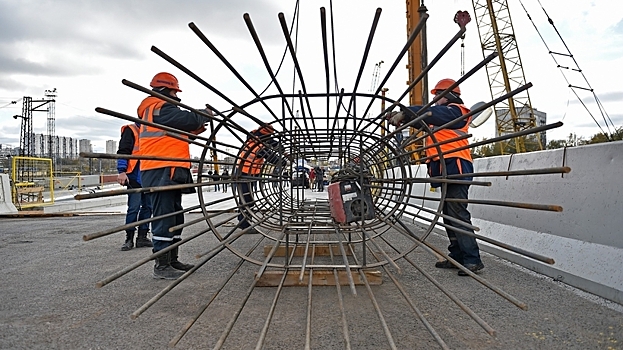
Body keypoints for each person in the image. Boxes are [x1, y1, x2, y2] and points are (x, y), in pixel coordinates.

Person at [387, 78, 484, 276]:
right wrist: (403, 117)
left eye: (437, 96)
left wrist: (406, 111)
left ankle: (472, 260)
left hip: (457, 168)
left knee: (458, 214)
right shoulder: (441, 117)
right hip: (445, 170)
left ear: (446, 95)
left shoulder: (457, 111)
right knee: (448, 215)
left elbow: (434, 114)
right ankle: (456, 256)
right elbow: (425, 121)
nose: (435, 101)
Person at [138, 72, 211, 280]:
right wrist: (204, 113)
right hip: (160, 168)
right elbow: (187, 118)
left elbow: (177, 130)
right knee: (164, 216)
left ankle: (172, 259)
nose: (176, 96)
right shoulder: (158, 106)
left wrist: (194, 130)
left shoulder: (160, 110)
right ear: (166, 90)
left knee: (175, 214)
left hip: (170, 167)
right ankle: (161, 265)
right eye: (174, 91)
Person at [235, 124, 286, 233]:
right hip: (244, 172)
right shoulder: (257, 146)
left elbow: (273, 143)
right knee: (247, 199)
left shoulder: (257, 138)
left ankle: (244, 222)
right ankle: (244, 225)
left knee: (248, 198)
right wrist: (284, 162)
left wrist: (282, 149)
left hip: (249, 172)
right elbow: (271, 157)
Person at [116, 123, 153, 251]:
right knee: (134, 207)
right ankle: (129, 238)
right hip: (134, 176)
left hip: (149, 175)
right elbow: (123, 150)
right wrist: (122, 171)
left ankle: (142, 237)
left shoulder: (151, 130)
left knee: (148, 207)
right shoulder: (131, 130)